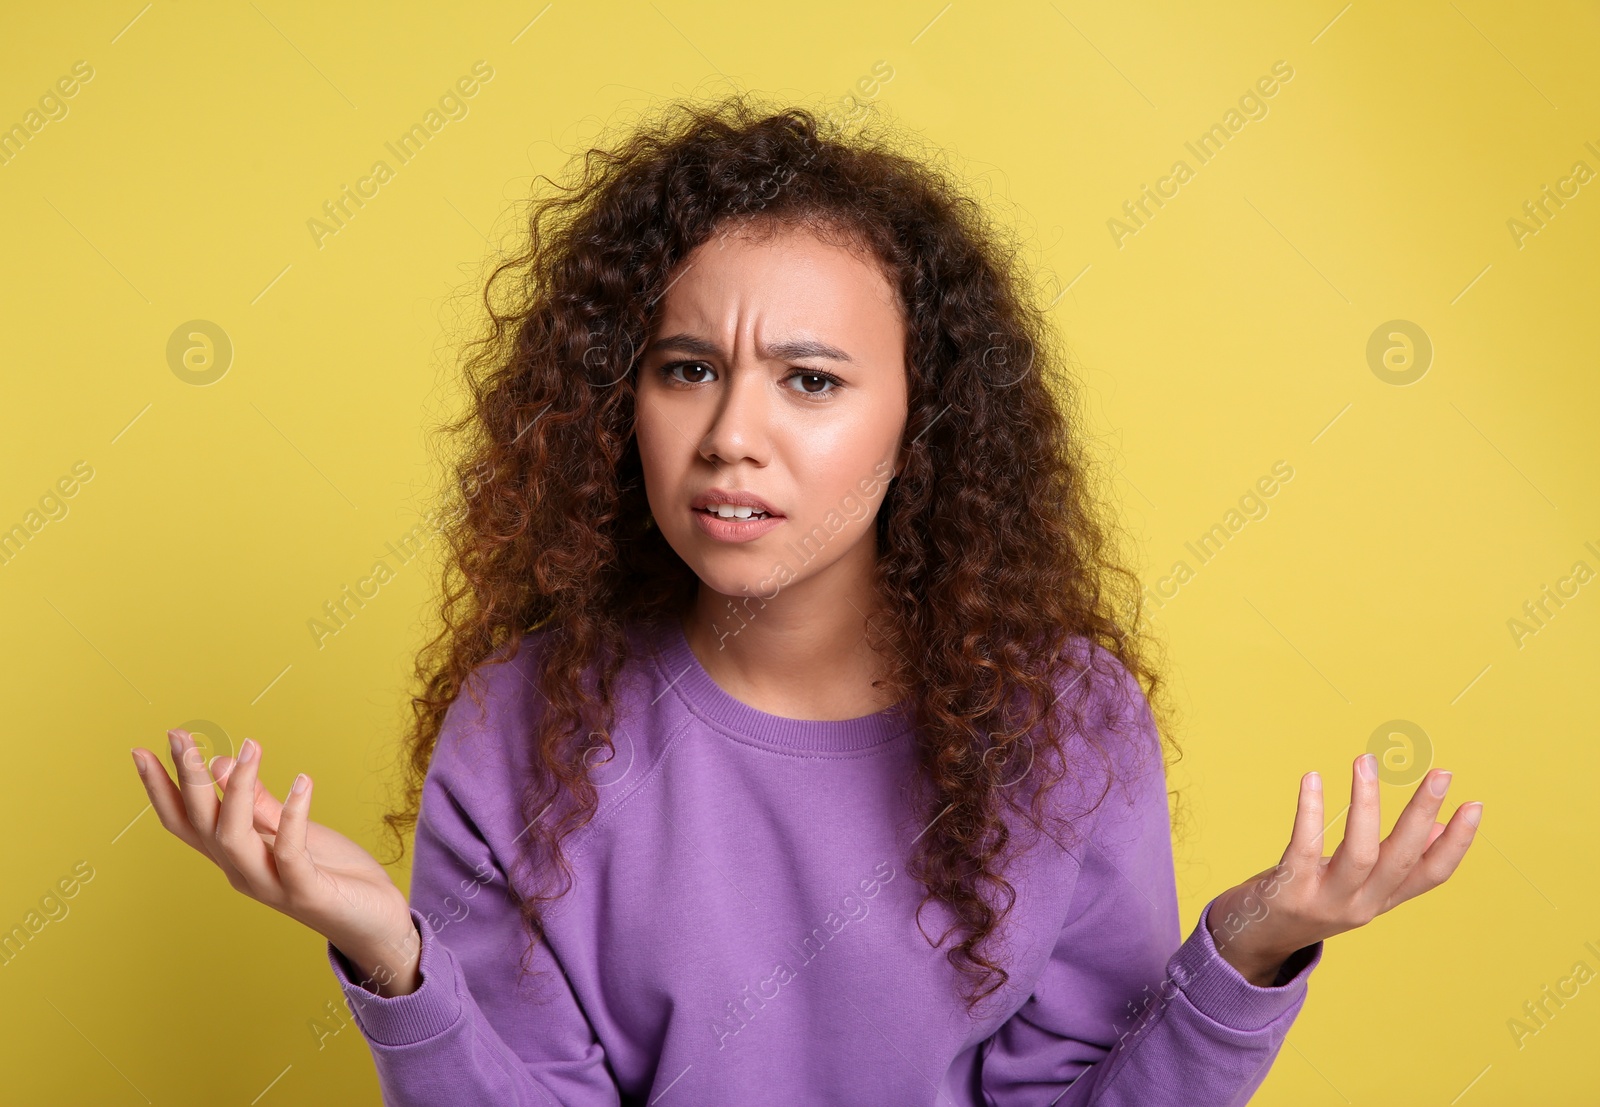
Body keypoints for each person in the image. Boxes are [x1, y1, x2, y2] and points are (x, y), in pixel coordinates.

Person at [129, 94, 1482, 1106]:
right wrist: (390, 956)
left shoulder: (1060, 720)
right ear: (621, 404)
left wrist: (1250, 955)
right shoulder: (525, 723)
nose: (732, 437)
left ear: (923, 421)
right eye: (684, 368)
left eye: (811, 379)